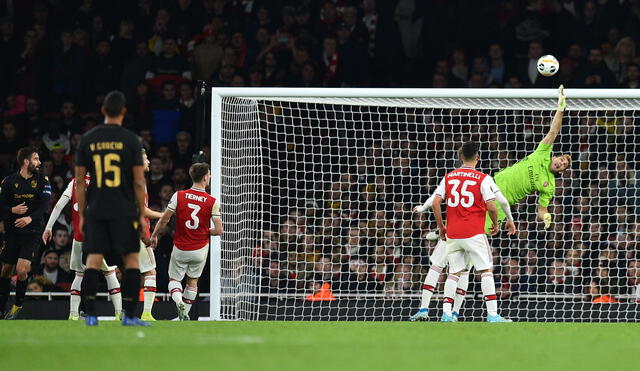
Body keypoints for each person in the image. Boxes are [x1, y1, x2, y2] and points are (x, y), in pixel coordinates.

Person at [410, 85, 569, 320]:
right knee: (470, 261)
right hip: (487, 195)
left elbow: (541, 207)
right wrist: (560, 108)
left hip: (495, 206)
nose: (561, 163)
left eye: (565, 165)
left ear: (561, 171)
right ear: (555, 156)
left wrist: (545, 216)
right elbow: (553, 132)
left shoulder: (549, 185)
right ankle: (478, 313)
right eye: (562, 158)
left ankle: (449, 310)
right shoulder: (542, 153)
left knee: (459, 263)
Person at [409, 142, 516, 322]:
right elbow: (497, 204)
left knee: (452, 272)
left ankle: (445, 314)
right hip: (473, 232)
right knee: (486, 270)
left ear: (460, 158)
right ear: (477, 158)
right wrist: (503, 222)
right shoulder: (483, 178)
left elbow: (435, 202)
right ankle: (492, 315)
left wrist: (437, 222)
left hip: (452, 234)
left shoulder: (449, 176)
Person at [74, 90, 149, 327]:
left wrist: (84, 213)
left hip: (97, 208)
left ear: (103, 111)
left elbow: (78, 181)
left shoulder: (87, 139)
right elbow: (138, 181)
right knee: (131, 262)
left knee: (93, 262)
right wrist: (140, 214)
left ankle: (91, 316)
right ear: (124, 112)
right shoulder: (131, 140)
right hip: (124, 209)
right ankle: (129, 315)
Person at [42, 175, 123, 320]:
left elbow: (59, 205)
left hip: (80, 237)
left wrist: (48, 227)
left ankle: (73, 314)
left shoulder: (75, 181)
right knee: (109, 273)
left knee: (79, 275)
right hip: (101, 237)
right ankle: (118, 313)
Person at [151, 163, 223, 320]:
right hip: (200, 249)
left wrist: (154, 235)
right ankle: (183, 315)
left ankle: (178, 302)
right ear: (205, 177)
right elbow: (218, 231)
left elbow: (164, 219)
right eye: (209, 175)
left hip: (180, 247)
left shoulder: (179, 196)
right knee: (192, 283)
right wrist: (203, 231)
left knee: (174, 280)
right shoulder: (212, 201)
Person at [0, 147, 51, 319]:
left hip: (33, 232)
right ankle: (1, 307)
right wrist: (12, 209)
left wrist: (30, 218)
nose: (39, 162)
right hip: (12, 232)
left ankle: (17, 305)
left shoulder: (43, 180)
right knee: (6, 269)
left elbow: (45, 206)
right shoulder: (8, 182)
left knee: (22, 270)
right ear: (26, 161)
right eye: (36, 159)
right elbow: (1, 207)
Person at [139, 148, 164, 321]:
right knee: (150, 273)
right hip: (138, 232)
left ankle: (123, 311)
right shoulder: (138, 180)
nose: (148, 162)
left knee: (127, 272)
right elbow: (142, 211)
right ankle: (146, 313)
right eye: (145, 158)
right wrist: (164, 215)